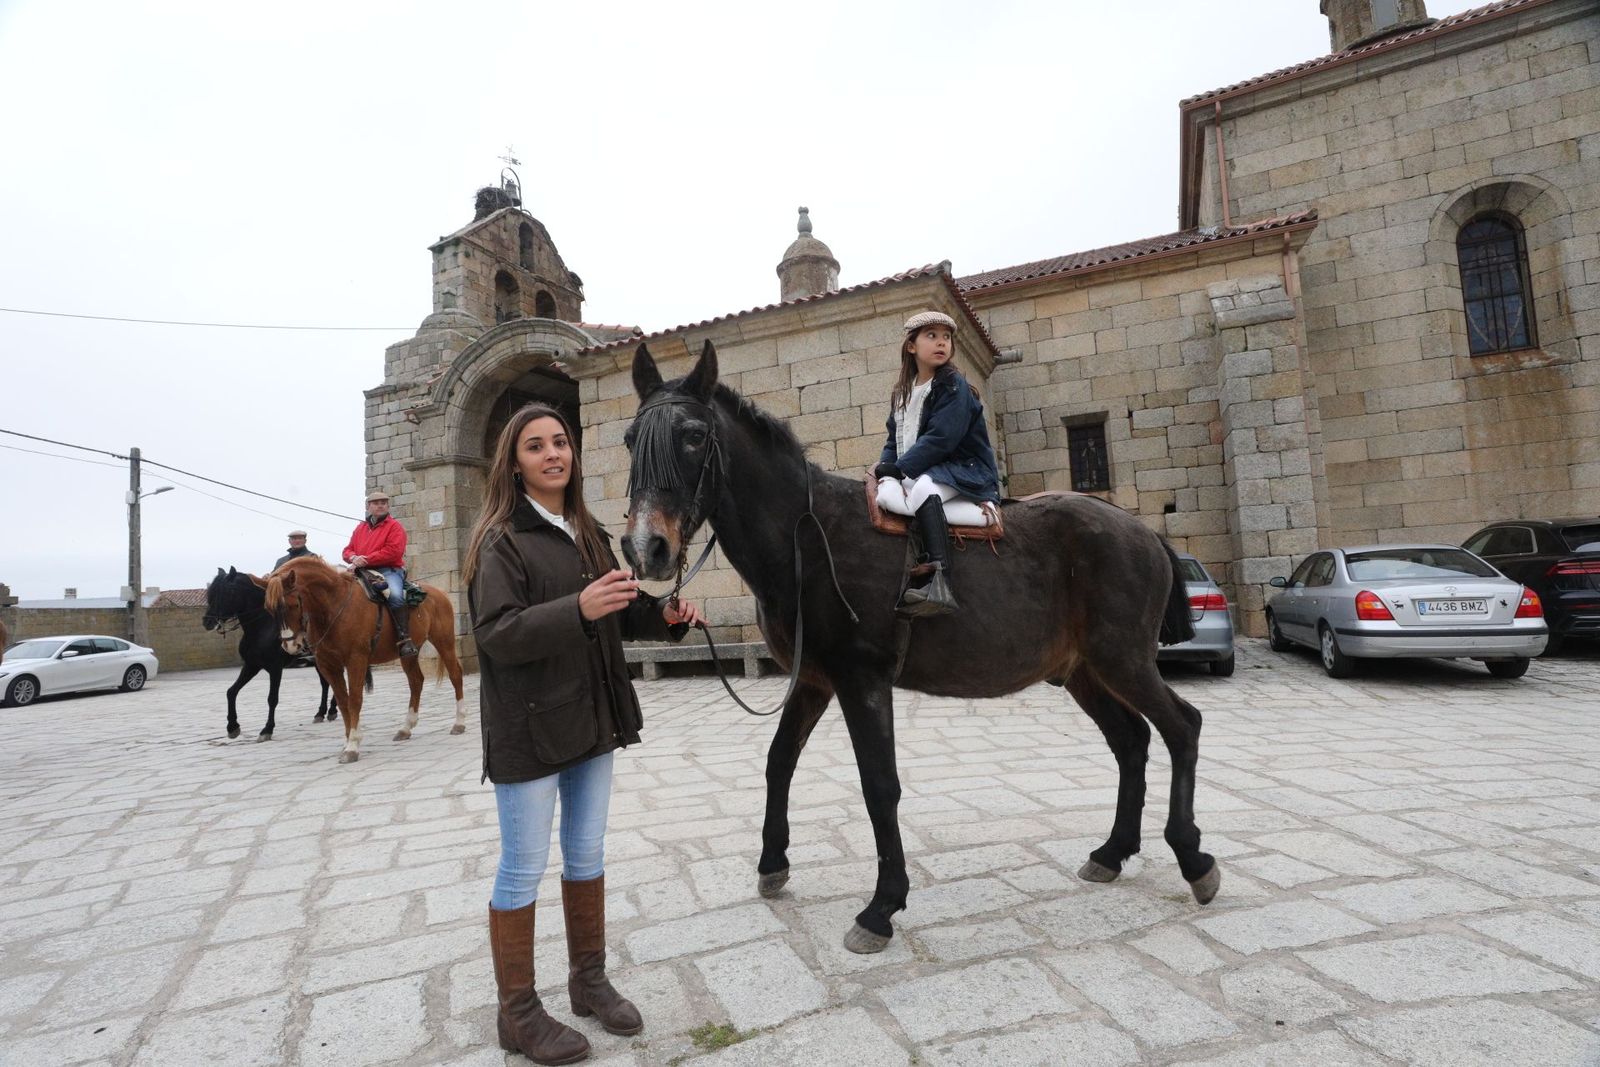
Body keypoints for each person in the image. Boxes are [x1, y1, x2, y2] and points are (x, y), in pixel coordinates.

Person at [464, 402, 703, 1065]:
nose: (552, 453)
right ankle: (517, 1012)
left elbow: (618, 611)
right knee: (521, 867)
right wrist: (577, 606)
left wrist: (667, 615)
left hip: (592, 719)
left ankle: (588, 979)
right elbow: (497, 634)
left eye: (560, 441)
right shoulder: (500, 542)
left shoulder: (586, 530)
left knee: (586, 849)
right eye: (535, 445)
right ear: (514, 462)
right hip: (530, 728)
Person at [873, 310, 1002, 617]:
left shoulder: (952, 385)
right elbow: (894, 440)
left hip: (963, 469)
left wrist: (901, 469)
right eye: (931, 336)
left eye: (946, 337)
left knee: (922, 491)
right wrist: (885, 469)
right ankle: (953, 517)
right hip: (920, 470)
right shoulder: (902, 394)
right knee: (884, 495)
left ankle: (939, 578)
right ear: (911, 346)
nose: (941, 343)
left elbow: (942, 438)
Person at [342, 490, 417, 657]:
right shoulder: (360, 528)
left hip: (388, 570)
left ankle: (405, 640)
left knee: (396, 596)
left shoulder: (395, 527)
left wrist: (365, 559)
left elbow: (393, 552)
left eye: (384, 502)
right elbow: (347, 550)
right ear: (368, 507)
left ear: (388, 506)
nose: (381, 505)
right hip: (362, 571)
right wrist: (353, 557)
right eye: (376, 503)